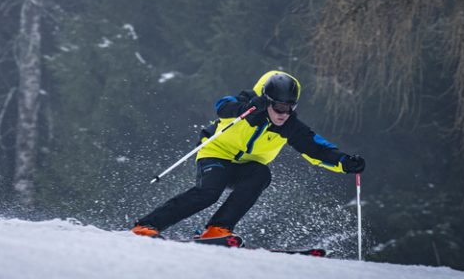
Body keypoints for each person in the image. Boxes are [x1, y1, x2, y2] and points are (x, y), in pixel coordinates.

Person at [130, 70, 365, 239]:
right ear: (267, 101)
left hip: (246, 167)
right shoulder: (247, 106)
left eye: (290, 107)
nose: (283, 113)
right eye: (279, 107)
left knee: (261, 175)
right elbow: (222, 106)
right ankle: (147, 225)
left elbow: (317, 149)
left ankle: (217, 229)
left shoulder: (290, 126)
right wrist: (246, 108)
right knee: (209, 193)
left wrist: (345, 162)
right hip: (216, 154)